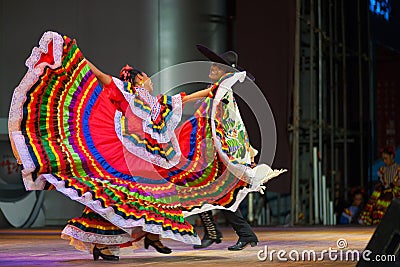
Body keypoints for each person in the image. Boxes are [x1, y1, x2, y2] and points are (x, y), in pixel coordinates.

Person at [8, 31, 285, 260]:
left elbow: (177, 101)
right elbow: (106, 78)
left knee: (122, 196)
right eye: (147, 77)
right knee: (123, 194)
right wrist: (81, 61)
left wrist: (215, 90)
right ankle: (113, 242)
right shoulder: (129, 92)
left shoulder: (150, 100)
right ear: (139, 79)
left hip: (142, 156)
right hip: (126, 153)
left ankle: (109, 243)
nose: (151, 80)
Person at [193, 45, 259, 251]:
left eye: (217, 66)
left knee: (221, 196)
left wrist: (182, 99)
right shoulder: (221, 90)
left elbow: (230, 125)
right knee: (202, 192)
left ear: (225, 72)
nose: (211, 68)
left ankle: (244, 234)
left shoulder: (222, 89)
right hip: (215, 153)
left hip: (225, 154)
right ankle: (214, 231)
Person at [360, 146, 400, 225]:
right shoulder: (382, 170)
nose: (384, 161)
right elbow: (383, 183)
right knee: (377, 205)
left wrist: (393, 185)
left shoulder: (398, 168)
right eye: (383, 159)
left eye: (386, 158)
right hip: (385, 192)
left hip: (396, 192)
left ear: (391, 156)